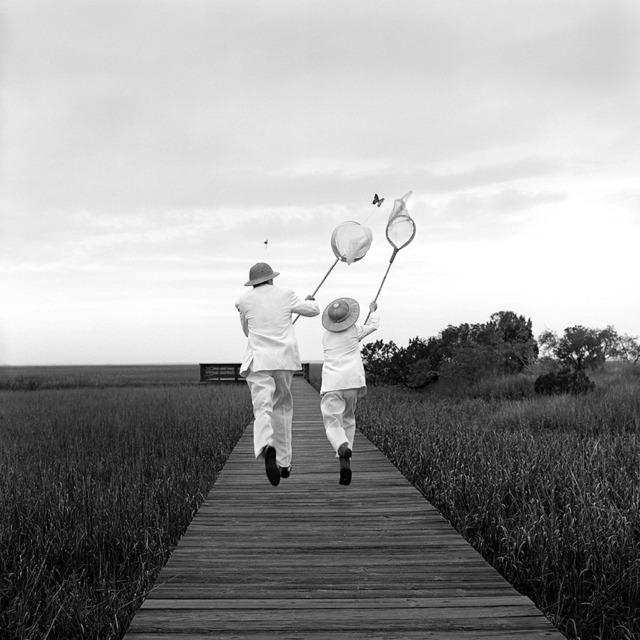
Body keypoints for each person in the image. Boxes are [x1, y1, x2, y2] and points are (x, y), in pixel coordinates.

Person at [235, 262, 320, 486]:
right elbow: (313, 311)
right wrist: (310, 301)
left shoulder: (243, 301)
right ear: (271, 279)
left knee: (262, 407)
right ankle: (284, 463)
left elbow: (247, 331)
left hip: (259, 359)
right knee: (282, 407)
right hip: (283, 359)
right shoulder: (286, 294)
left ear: (253, 282)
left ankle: (266, 446)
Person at [320, 297, 379, 485]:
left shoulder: (326, 336)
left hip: (332, 383)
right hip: (352, 382)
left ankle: (340, 447)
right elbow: (373, 325)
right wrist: (373, 310)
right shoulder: (355, 330)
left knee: (331, 421)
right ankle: (346, 454)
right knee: (348, 419)